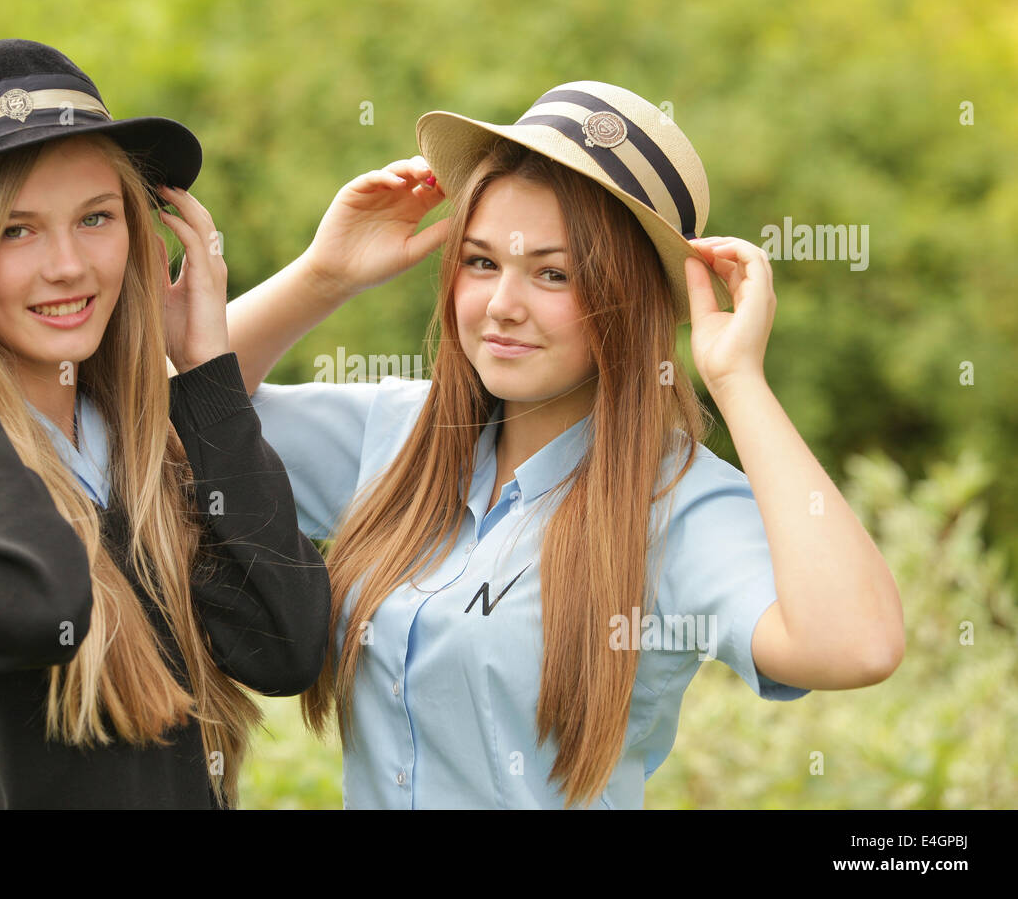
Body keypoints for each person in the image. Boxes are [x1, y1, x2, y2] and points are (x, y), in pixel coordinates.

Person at [225, 81, 905, 808]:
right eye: (482, 262)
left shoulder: (674, 503)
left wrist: (738, 380)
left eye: (554, 274)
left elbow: (856, 646)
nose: (501, 307)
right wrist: (321, 278)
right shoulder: (398, 433)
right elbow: (165, 415)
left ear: (630, 298)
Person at [0, 39, 330, 809]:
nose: (69, 266)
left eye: (95, 218)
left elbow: (286, 646)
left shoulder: (145, 445)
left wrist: (208, 375)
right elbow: (30, 605)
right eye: (15, 230)